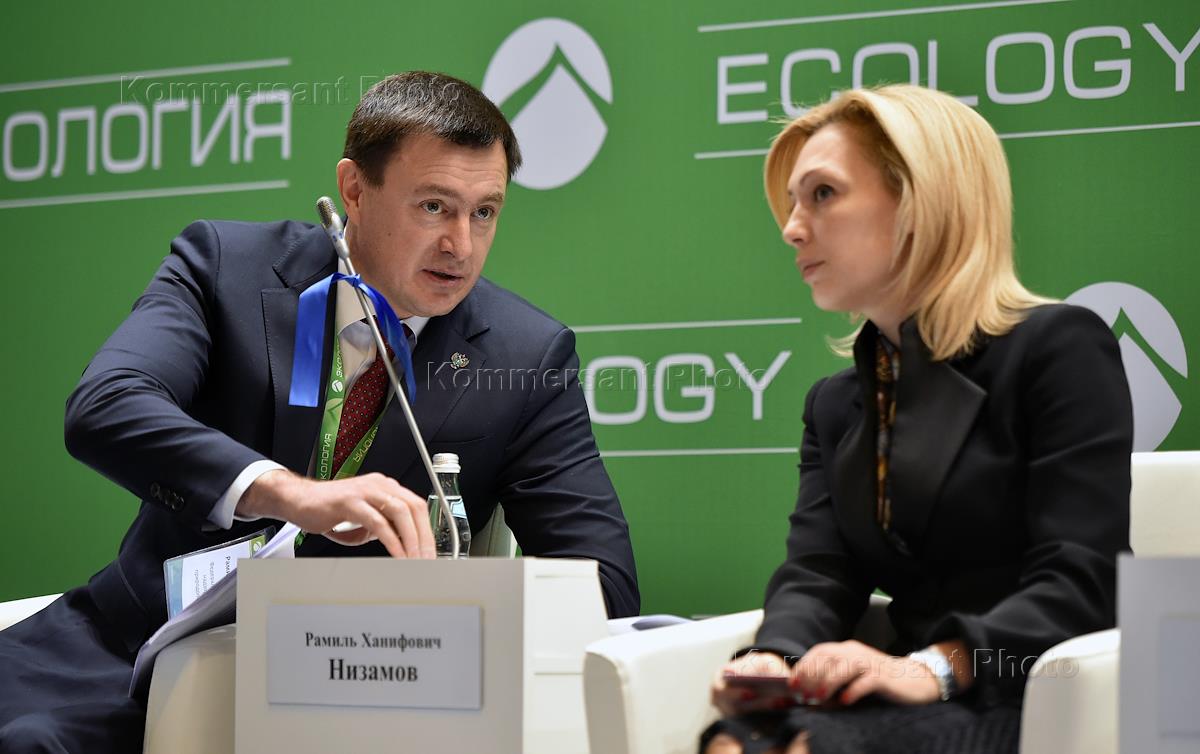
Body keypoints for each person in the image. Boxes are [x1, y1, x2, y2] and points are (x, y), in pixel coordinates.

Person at [0, 71, 638, 752]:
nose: (461, 245)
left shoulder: (526, 357)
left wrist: (454, 619)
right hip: (129, 651)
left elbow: (601, 588)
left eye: (484, 212)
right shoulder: (226, 268)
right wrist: (287, 493)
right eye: (434, 207)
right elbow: (107, 404)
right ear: (354, 190)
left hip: (363, 693)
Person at [703, 84, 1132, 754]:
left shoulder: (1059, 349)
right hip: (895, 697)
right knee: (732, 741)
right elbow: (821, 571)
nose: (792, 228)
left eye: (823, 193)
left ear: (918, 202)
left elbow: (1080, 583)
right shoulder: (835, 403)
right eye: (792, 202)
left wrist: (935, 668)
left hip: (1022, 695)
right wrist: (776, 657)